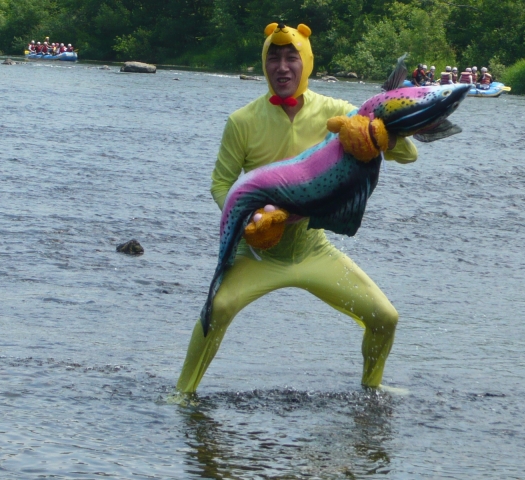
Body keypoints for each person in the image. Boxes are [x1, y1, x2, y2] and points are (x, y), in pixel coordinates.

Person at [176, 22, 418, 393]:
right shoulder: (241, 121)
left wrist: (385, 137)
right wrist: (253, 219)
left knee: (385, 317)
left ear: (306, 62)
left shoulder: (337, 111)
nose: (282, 67)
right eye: (273, 58)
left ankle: (372, 393)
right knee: (217, 310)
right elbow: (221, 184)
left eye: (292, 57)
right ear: (264, 65)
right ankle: (182, 394)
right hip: (256, 254)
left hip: (312, 250)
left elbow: (409, 154)